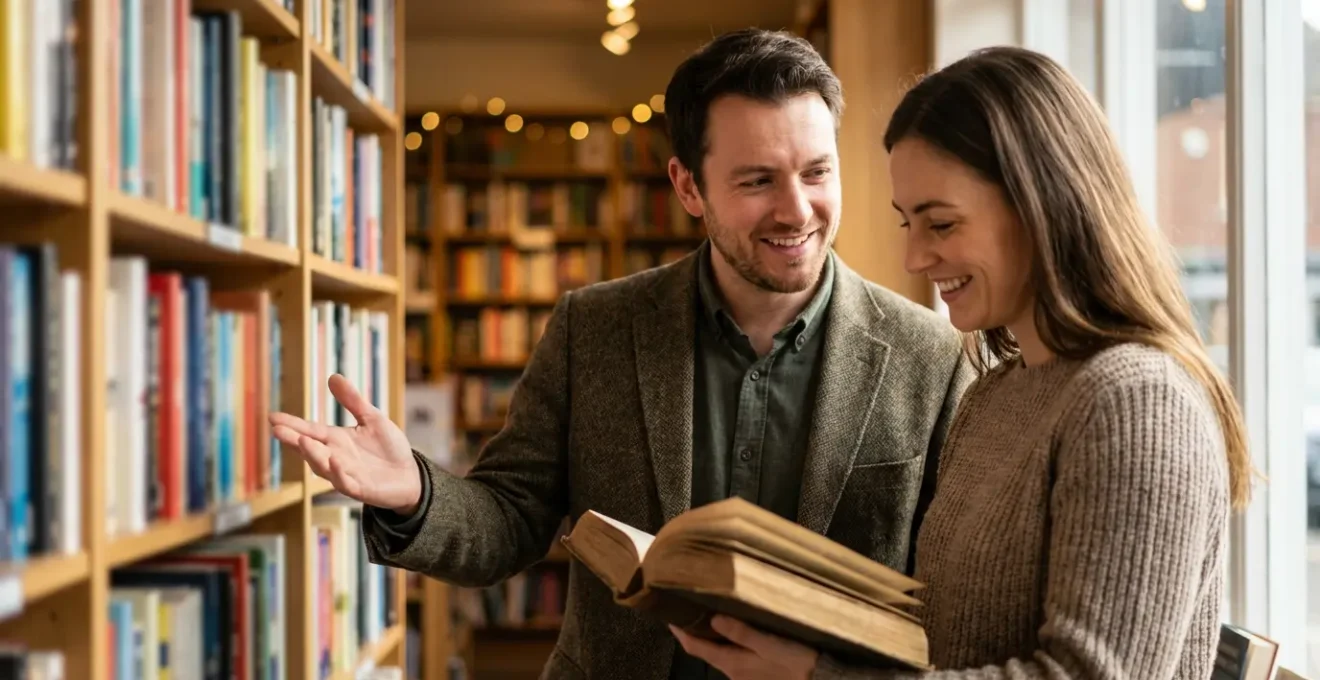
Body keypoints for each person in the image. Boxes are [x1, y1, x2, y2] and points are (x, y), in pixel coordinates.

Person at [271, 28, 973, 680]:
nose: (797, 210)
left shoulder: (932, 356)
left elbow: (948, 607)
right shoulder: (595, 327)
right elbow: (512, 517)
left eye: (817, 173)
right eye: (757, 181)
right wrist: (417, 494)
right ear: (687, 186)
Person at [669, 45, 1252, 680]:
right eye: (907, 224)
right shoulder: (996, 392)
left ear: (1040, 205)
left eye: (941, 225)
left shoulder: (1137, 401)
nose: (915, 258)